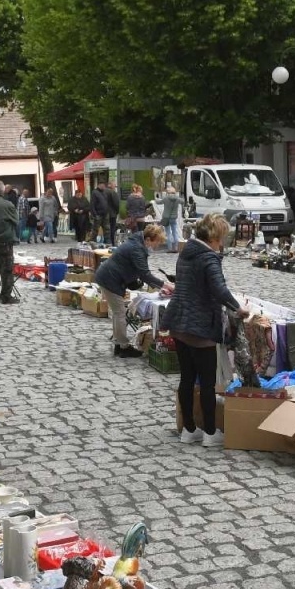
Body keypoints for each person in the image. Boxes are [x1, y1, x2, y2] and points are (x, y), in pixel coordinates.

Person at [167, 214, 245, 447]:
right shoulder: (209, 258)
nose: (222, 243)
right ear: (213, 237)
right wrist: (238, 308)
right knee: (208, 382)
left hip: (179, 321)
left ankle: (189, 429)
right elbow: (219, 289)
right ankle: (211, 432)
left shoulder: (187, 252)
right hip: (200, 326)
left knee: (187, 378)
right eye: (221, 238)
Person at [96, 224, 173, 358]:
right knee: (119, 313)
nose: (157, 246)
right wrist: (166, 285)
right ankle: (124, 347)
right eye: (157, 242)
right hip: (110, 280)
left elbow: (140, 271)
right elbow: (145, 274)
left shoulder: (137, 243)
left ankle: (119, 344)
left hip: (110, 278)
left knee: (117, 313)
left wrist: (160, 286)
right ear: (149, 239)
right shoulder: (136, 248)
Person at [159, 183, 182, 251]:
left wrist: (155, 200)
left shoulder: (166, 198)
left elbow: (158, 202)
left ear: (168, 193)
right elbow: (183, 201)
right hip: (174, 218)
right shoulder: (177, 199)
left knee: (168, 233)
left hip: (166, 217)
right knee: (175, 232)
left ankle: (169, 248)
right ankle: (176, 248)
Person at [102, 182, 122, 246]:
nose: (115, 187)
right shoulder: (112, 192)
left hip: (103, 214)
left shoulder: (102, 192)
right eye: (114, 185)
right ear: (110, 185)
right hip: (112, 214)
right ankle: (112, 242)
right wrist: (117, 212)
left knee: (105, 228)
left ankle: (106, 242)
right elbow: (116, 204)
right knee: (112, 228)